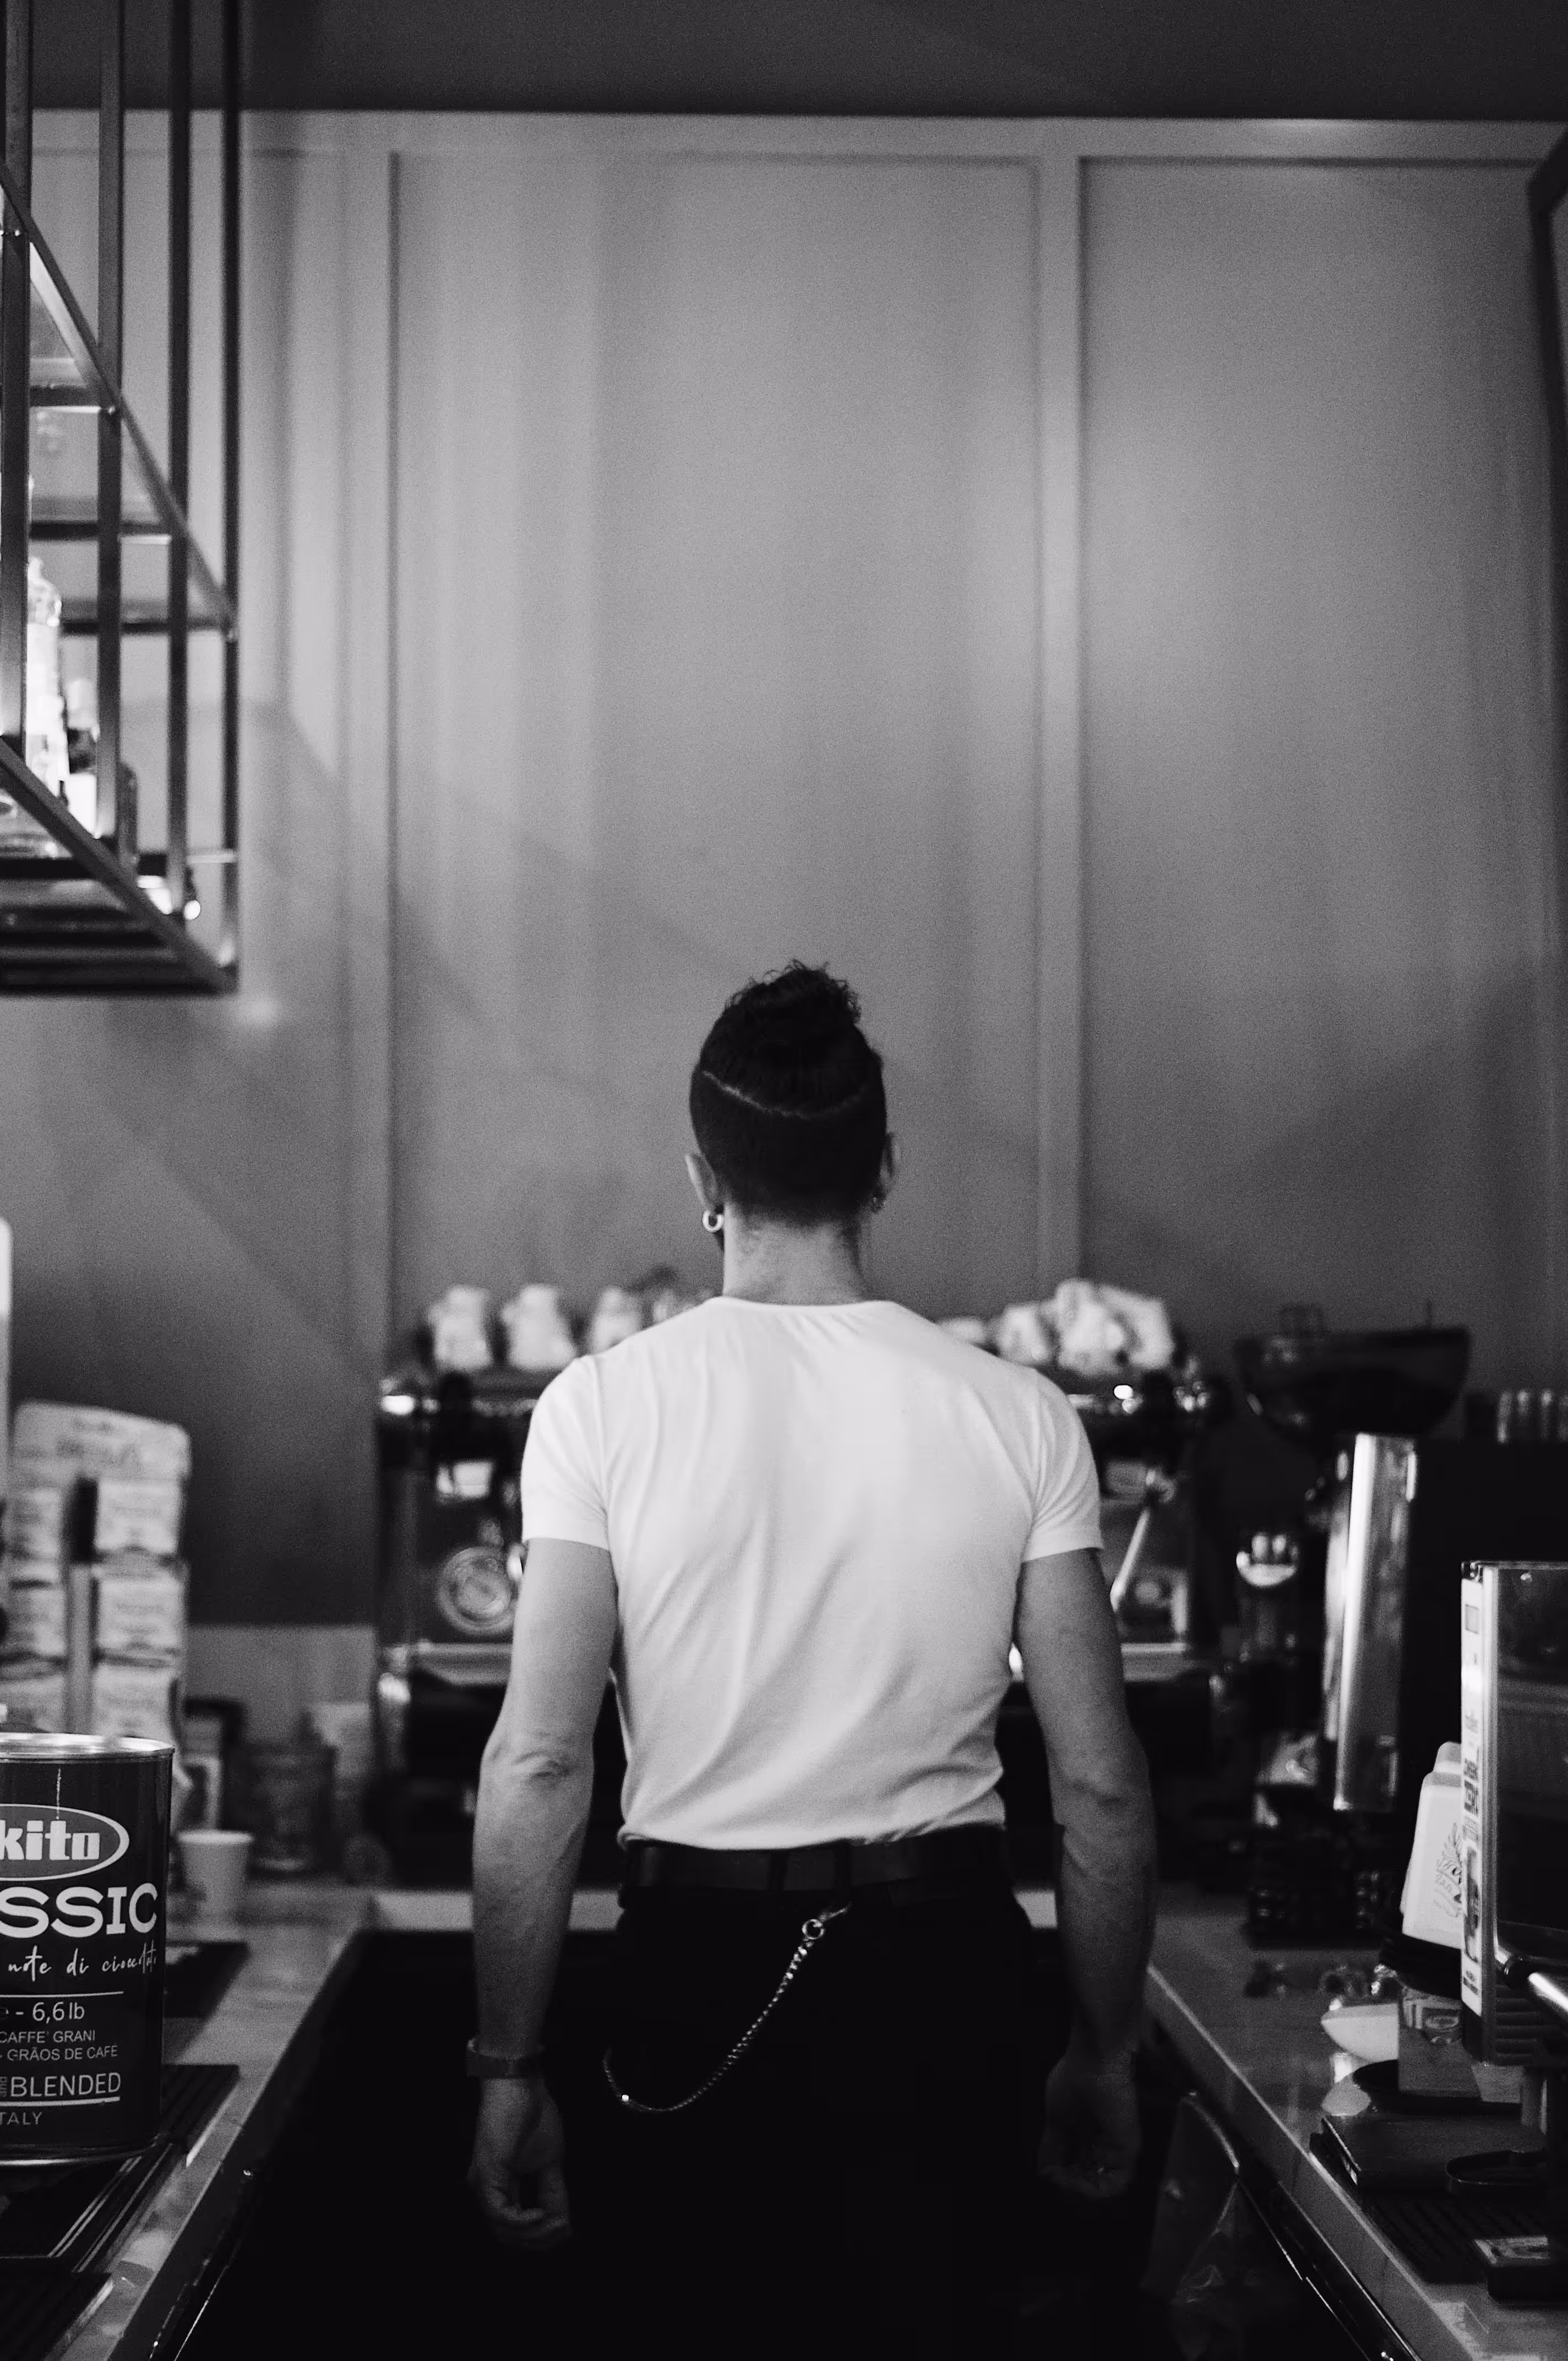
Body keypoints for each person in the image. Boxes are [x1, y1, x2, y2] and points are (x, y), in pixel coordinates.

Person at [467, 962, 1157, 2355]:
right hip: (946, 1986)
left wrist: (507, 2061)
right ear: (883, 1169)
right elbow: (1096, 1786)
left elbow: (542, 1758)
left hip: (693, 1984)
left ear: (699, 1181)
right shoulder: (1016, 1413)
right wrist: (1102, 2046)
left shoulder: (599, 1407)